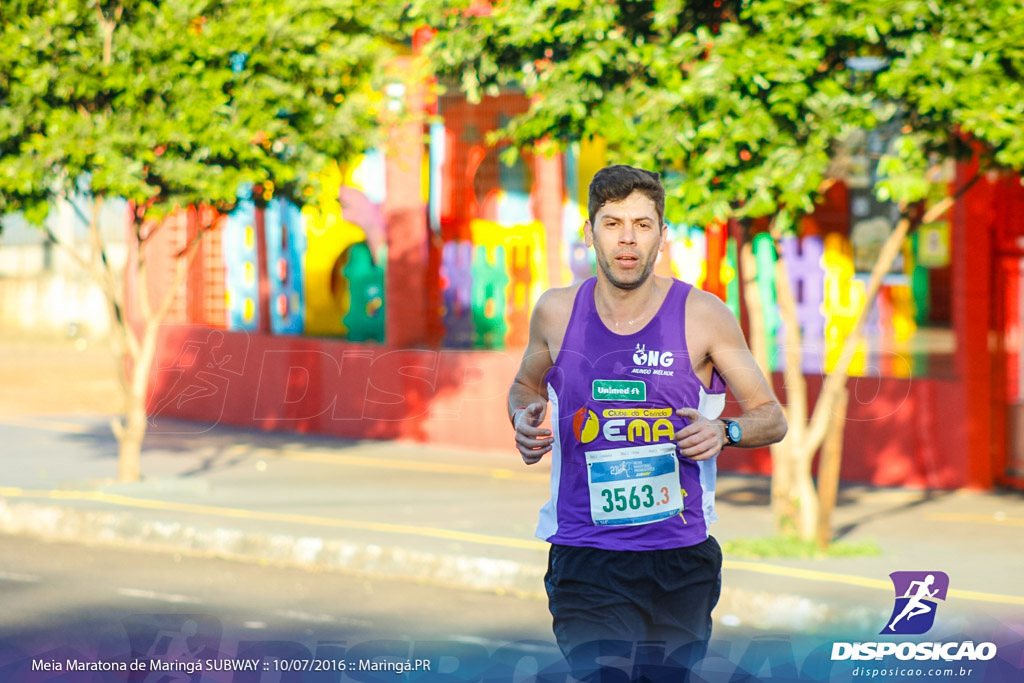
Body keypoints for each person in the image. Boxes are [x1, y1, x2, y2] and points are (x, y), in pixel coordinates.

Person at [507, 165, 788, 682]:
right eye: (612, 223)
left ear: (663, 235)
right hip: (584, 555)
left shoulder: (705, 315)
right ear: (588, 232)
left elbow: (771, 416)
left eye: (642, 223)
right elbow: (525, 385)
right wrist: (524, 418)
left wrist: (724, 431)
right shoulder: (555, 311)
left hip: (679, 561)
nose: (628, 239)